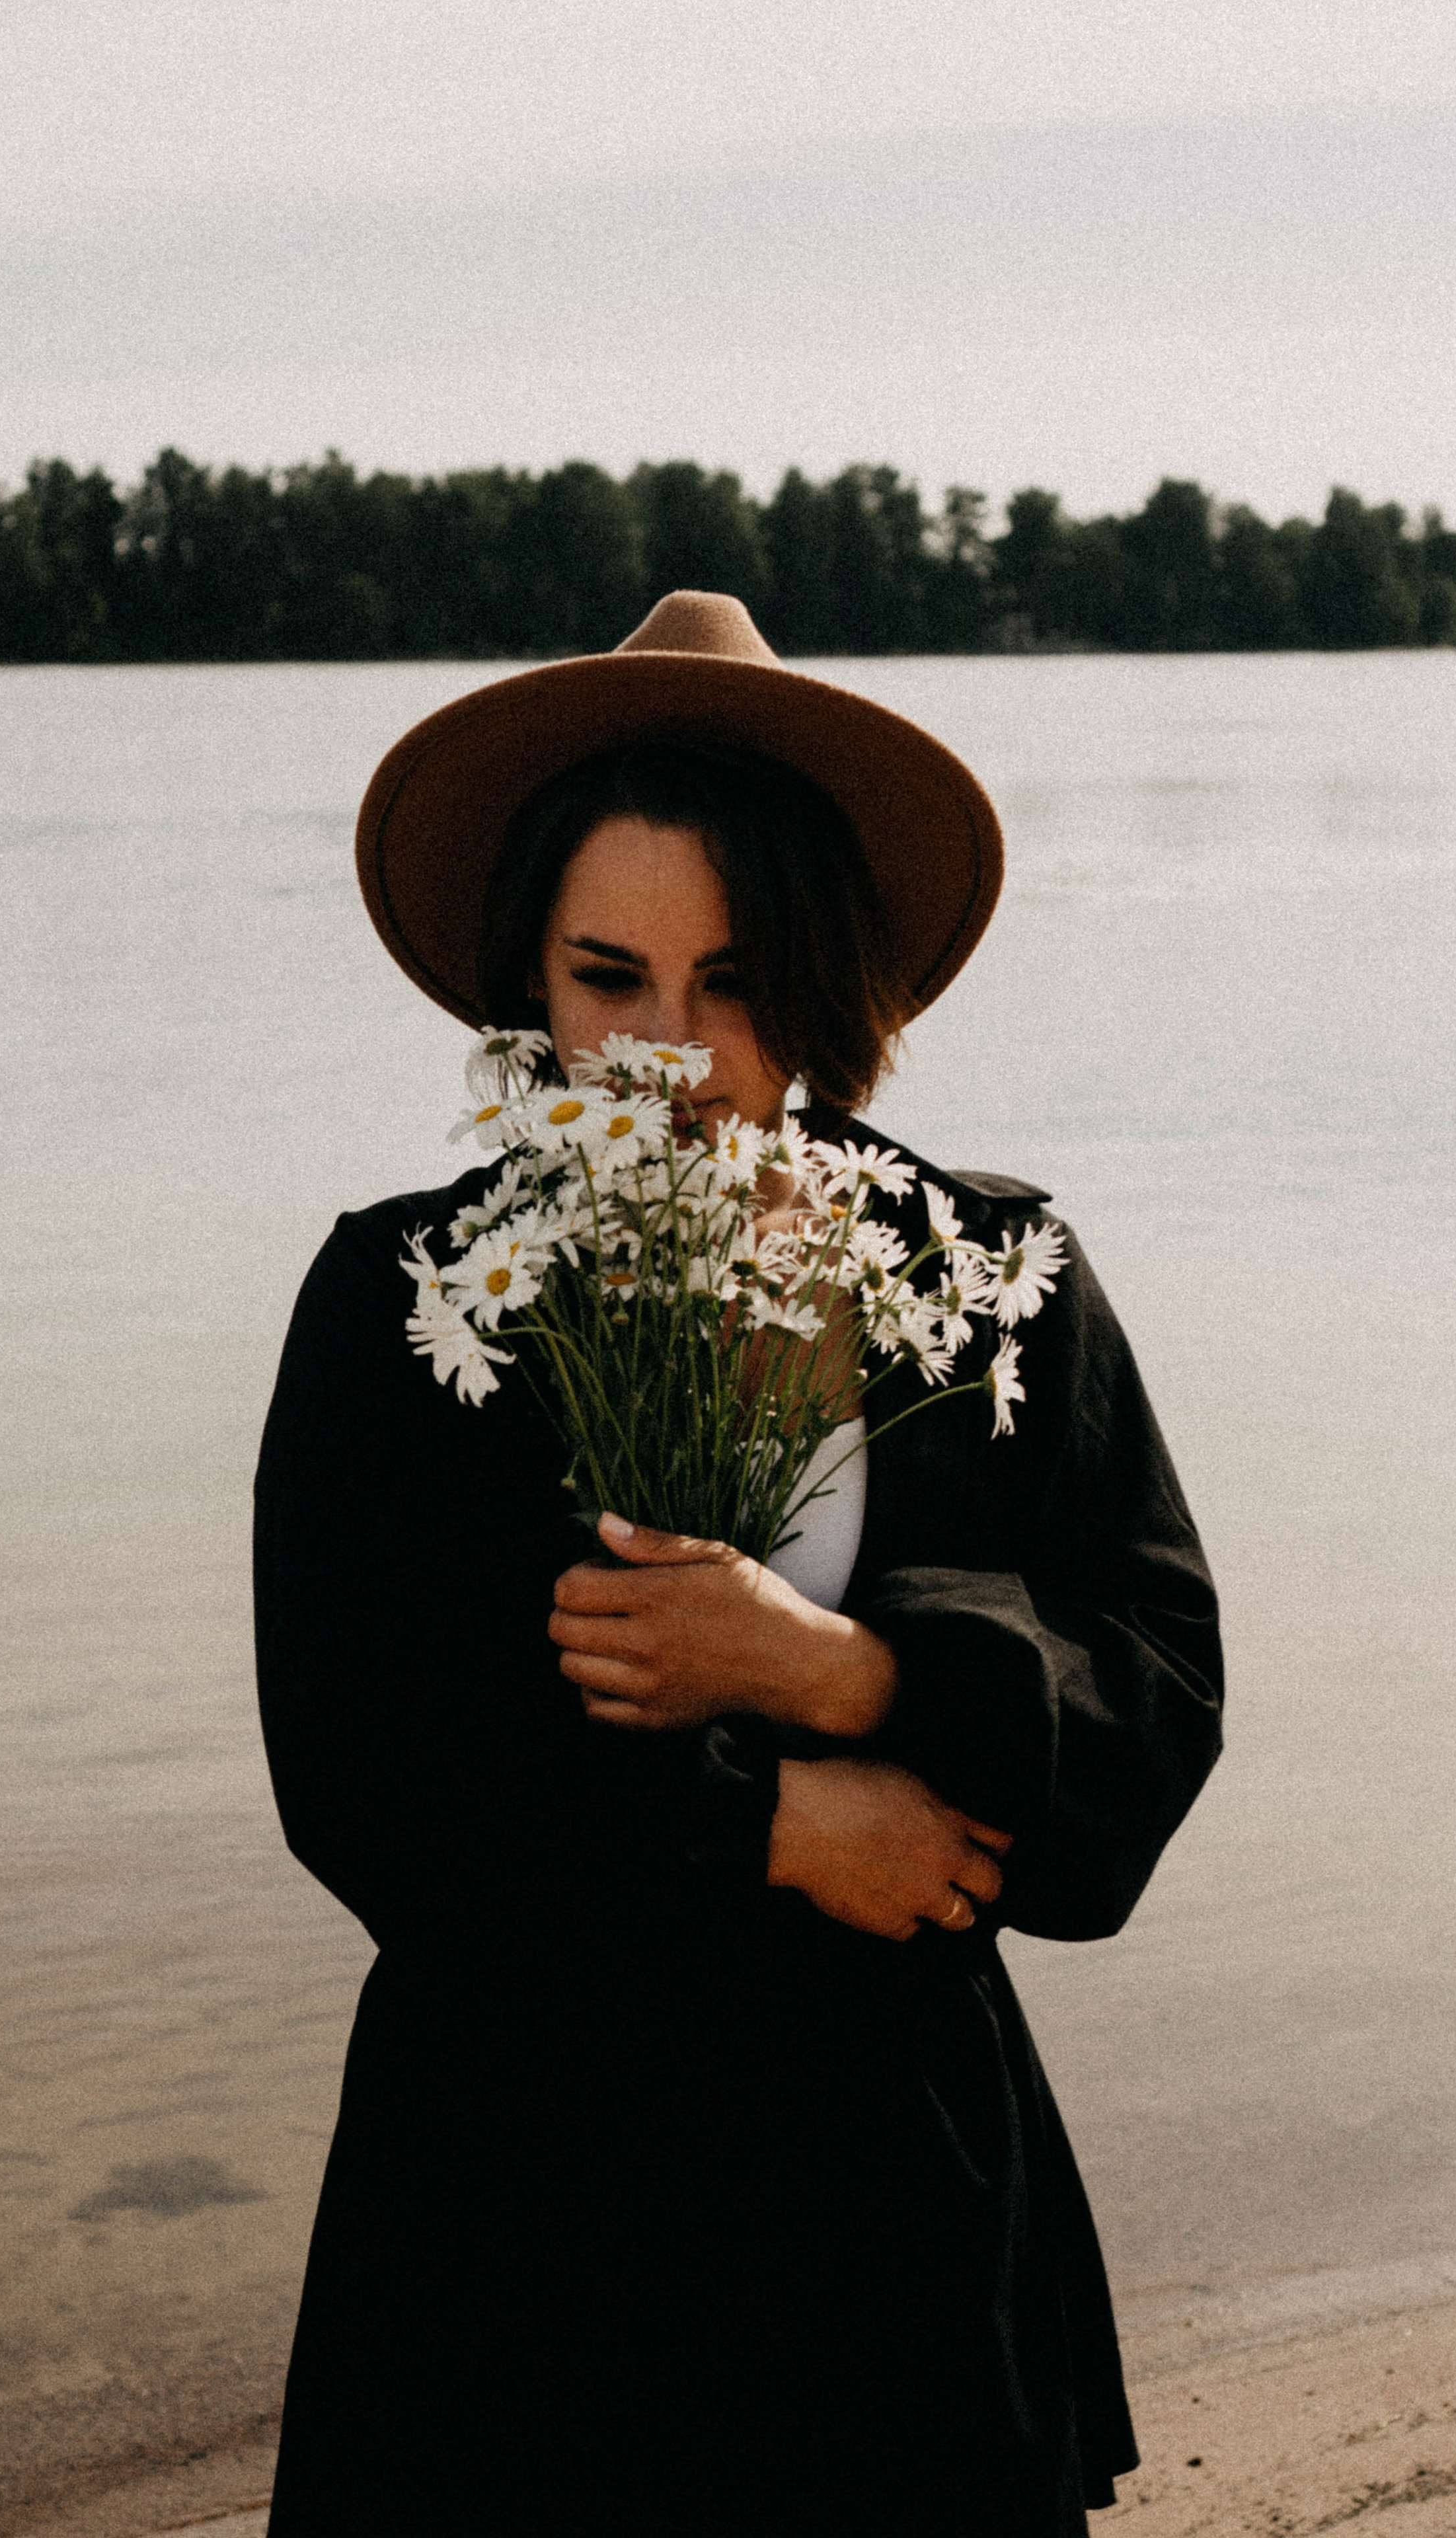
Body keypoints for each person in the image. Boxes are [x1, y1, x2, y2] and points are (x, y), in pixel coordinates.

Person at [254, 591, 1223, 2536]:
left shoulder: (984, 1279)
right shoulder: (408, 1298)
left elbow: (1159, 1700)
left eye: (742, 977)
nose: (674, 1053)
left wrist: (846, 1675)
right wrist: (775, 1831)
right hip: (516, 2228)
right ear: (529, 978)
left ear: (840, 972)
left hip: (903, 2230)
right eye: (611, 975)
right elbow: (366, 1779)